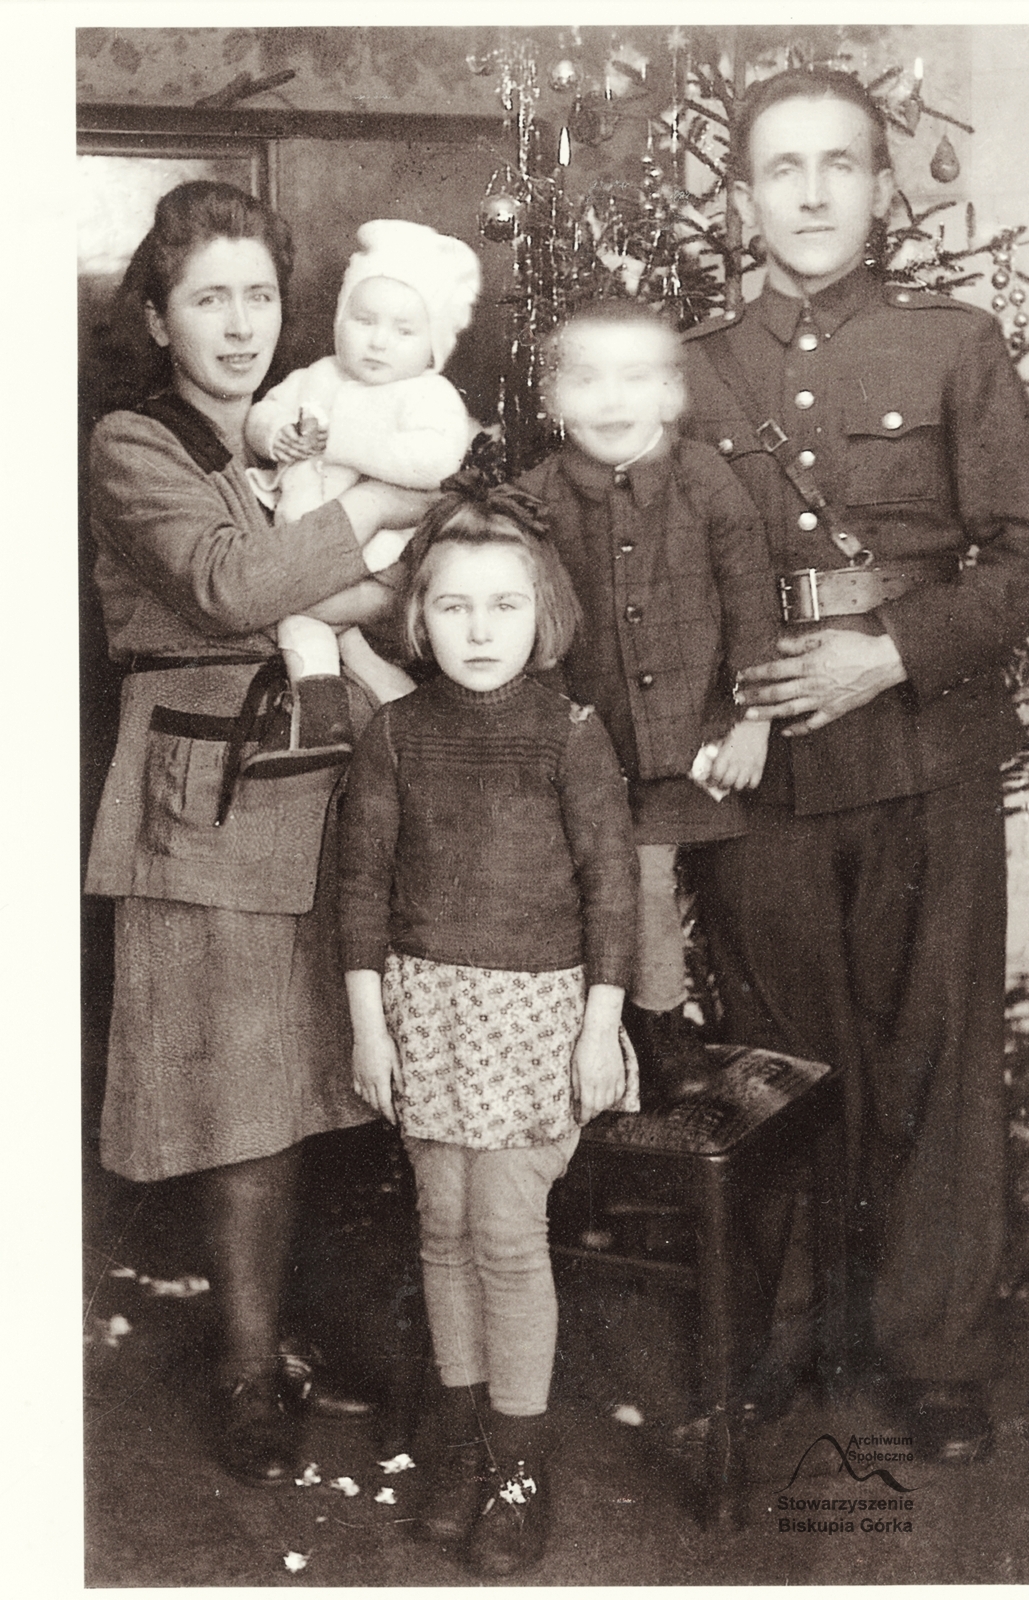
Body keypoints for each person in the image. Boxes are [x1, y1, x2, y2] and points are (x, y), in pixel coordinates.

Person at [682, 68, 1029, 1460]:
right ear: (742, 199)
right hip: (763, 761)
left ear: (880, 186)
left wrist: (890, 652)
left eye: (838, 163)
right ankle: (790, 1336)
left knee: (937, 1055)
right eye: (781, 168)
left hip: (923, 750)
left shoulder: (952, 345)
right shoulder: (689, 369)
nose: (811, 192)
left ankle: (933, 1354)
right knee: (775, 1057)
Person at [83, 180, 438, 1487]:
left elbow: (406, 598)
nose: (240, 325)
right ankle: (244, 1366)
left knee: (332, 1083)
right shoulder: (136, 443)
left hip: (339, 774)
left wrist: (359, 570)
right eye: (208, 300)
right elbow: (232, 583)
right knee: (241, 1105)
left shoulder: (315, 418)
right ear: (159, 318)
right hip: (211, 795)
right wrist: (378, 514)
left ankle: (304, 1334)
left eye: (260, 297)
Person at [338, 484, 639, 1576]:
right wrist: (370, 1030)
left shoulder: (571, 734)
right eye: (453, 606)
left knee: (507, 1238)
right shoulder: (395, 734)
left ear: (541, 613)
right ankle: (464, 1449)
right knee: (442, 1228)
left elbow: (612, 892)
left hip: (536, 1017)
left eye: (503, 606)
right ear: (419, 619)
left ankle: (519, 1469)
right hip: (424, 1012)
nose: (478, 630)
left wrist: (599, 1030)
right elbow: (362, 889)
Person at [519, 301, 778, 1104]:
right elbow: (530, 628)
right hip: (594, 750)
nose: (610, 399)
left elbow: (750, 603)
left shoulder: (704, 479)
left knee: (675, 887)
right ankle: (652, 1030)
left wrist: (753, 721)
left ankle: (671, 1023)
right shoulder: (533, 501)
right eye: (585, 379)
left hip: (697, 743)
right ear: (552, 398)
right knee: (632, 887)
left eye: (634, 378)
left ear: (670, 393)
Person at [243, 219, 481, 773]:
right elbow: (263, 411)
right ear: (340, 319)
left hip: (378, 554)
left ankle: (388, 704)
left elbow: (435, 459)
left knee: (316, 615)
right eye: (363, 319)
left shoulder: (427, 393)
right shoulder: (317, 376)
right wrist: (274, 434)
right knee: (303, 626)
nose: (377, 341)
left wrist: (341, 442)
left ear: (432, 346)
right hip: (298, 541)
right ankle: (321, 711)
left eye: (403, 330)